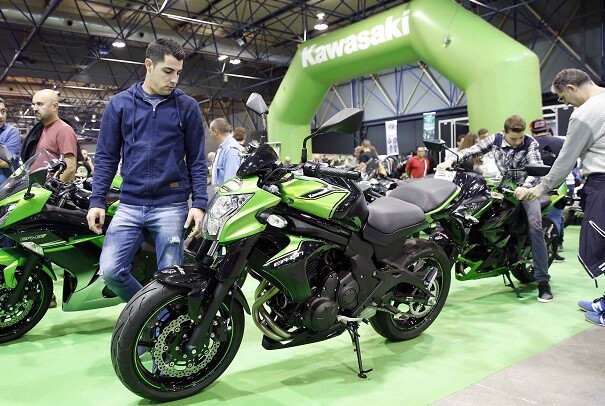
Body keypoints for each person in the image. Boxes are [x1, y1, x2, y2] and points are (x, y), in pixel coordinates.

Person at [87, 38, 208, 303]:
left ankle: (159, 321)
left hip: (171, 206)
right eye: (168, 71)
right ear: (149, 64)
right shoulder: (120, 104)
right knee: (111, 271)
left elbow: (197, 159)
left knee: (170, 280)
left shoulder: (187, 107)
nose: (174, 79)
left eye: (178, 73)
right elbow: (106, 157)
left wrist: (200, 203)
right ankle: (148, 315)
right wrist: (97, 200)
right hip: (129, 205)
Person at [516, 68, 605, 320]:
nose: (564, 103)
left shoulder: (585, 114)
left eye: (562, 97)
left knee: (600, 245)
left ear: (572, 88)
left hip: (602, 183)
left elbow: (566, 160)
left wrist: (540, 188)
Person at [438, 115, 553, 302]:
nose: (518, 142)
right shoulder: (495, 139)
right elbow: (471, 150)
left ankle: (543, 281)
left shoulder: (530, 143)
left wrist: (526, 186)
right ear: (504, 132)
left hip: (527, 190)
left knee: (535, 227)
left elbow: (536, 167)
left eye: (520, 137)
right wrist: (450, 161)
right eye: (514, 138)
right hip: (501, 185)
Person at [529, 118, 566, 262]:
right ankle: (554, 249)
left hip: (533, 187)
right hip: (557, 186)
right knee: (556, 217)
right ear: (547, 128)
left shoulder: (529, 143)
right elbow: (573, 164)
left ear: (532, 131)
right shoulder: (560, 143)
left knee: (533, 220)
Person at [29, 89, 78, 182]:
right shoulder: (41, 130)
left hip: (47, 189)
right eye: (34, 104)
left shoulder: (64, 130)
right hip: (36, 187)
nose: (35, 108)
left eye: (40, 104)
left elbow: (70, 168)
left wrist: (53, 189)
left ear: (54, 106)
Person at [0, 98, 22, 248]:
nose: (1, 116)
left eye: (3, 111)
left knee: (5, 241)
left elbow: (6, 162)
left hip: (5, 196)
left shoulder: (11, 132)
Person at [210, 118, 245, 185]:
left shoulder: (231, 151)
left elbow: (231, 182)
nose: (210, 135)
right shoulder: (222, 149)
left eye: (210, 132)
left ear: (215, 132)